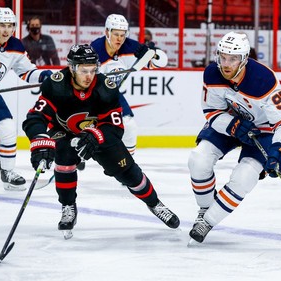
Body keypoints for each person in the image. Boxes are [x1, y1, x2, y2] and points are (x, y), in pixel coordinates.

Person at [22, 44, 179, 239]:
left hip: (98, 134)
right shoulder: (56, 85)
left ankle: (155, 204)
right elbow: (35, 117)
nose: (89, 76)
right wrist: (40, 140)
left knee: (128, 173)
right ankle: (68, 205)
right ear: (71, 68)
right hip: (64, 131)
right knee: (62, 155)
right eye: (83, 70)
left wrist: (96, 134)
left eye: (93, 70)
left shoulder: (105, 87)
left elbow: (115, 126)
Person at [187, 31, 281, 243]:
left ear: (244, 59)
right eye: (223, 57)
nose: (226, 64)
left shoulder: (263, 79)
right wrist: (232, 125)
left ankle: (208, 221)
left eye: (233, 58)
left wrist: (279, 150)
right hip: (229, 121)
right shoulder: (212, 73)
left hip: (263, 129)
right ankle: (204, 210)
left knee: (244, 177)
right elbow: (212, 111)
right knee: (198, 159)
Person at [0, 7, 52, 191]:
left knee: (7, 128)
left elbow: (26, 71)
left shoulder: (15, 46)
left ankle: (7, 172)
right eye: (2, 25)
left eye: (10, 25)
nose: (6, 30)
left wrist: (42, 76)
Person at [90, 14, 168, 156]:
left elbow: (161, 62)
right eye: (116, 34)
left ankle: (127, 164)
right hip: (91, 94)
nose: (119, 38)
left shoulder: (130, 47)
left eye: (122, 34)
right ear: (107, 32)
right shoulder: (95, 49)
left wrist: (152, 53)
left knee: (129, 124)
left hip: (112, 94)